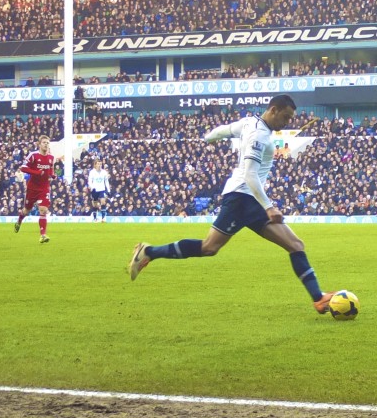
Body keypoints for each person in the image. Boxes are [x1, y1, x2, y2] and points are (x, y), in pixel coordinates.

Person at [128, 95, 337, 315]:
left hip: (248, 199)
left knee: (295, 245)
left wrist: (208, 139)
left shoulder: (249, 122)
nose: (287, 123)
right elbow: (249, 174)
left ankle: (318, 298)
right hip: (242, 198)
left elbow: (224, 130)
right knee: (210, 248)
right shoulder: (259, 135)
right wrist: (268, 206)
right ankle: (149, 251)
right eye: (285, 117)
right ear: (273, 110)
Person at [15, 135, 55, 244]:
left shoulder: (51, 157)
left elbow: (51, 170)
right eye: (44, 142)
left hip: (44, 188)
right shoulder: (33, 155)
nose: (46, 144)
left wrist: (52, 175)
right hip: (32, 188)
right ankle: (19, 220)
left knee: (43, 209)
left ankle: (43, 235)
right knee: (26, 210)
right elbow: (23, 168)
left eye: (47, 143)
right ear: (39, 144)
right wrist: (37, 172)